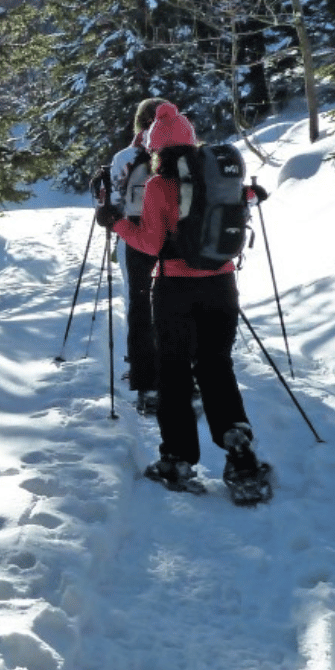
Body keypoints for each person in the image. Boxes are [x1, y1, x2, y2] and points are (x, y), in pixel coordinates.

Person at [94, 101, 270, 494]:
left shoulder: (159, 186)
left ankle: (177, 460)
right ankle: (240, 453)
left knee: (173, 374)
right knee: (217, 367)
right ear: (192, 143)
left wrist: (117, 223)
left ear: (156, 150)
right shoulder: (219, 178)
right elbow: (245, 205)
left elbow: (151, 243)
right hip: (222, 286)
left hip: (175, 289)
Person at [107, 98, 165, 413]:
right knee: (177, 304)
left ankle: (147, 382)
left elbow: (114, 202)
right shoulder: (186, 153)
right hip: (177, 239)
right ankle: (185, 372)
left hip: (135, 238)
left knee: (140, 306)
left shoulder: (125, 157)